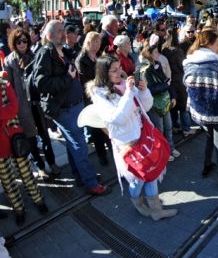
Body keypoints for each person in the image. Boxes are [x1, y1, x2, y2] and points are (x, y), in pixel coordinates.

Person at [88, 55, 177, 220]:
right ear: (103, 73)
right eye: (113, 70)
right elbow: (117, 119)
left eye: (119, 67)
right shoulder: (99, 94)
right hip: (127, 143)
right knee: (139, 179)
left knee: (152, 174)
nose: (119, 72)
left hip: (143, 135)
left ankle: (155, 210)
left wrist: (143, 91)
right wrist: (129, 92)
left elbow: (146, 105)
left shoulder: (123, 85)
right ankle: (139, 204)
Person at [33, 20, 110, 196]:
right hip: (64, 109)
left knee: (72, 144)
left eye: (64, 30)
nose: (64, 33)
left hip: (75, 105)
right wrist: (67, 78)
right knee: (79, 145)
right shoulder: (45, 53)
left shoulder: (63, 51)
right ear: (50, 35)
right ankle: (91, 183)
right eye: (60, 31)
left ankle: (80, 175)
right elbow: (42, 83)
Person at [3, 28, 60, 179]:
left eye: (25, 41)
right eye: (19, 41)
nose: (22, 44)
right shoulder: (10, 61)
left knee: (45, 135)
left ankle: (52, 162)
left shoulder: (34, 56)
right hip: (22, 106)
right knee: (30, 138)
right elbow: (9, 87)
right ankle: (40, 166)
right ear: (14, 43)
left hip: (37, 102)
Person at [183, 29, 218, 189]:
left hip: (199, 110)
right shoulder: (215, 63)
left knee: (208, 137)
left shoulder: (189, 61)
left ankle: (207, 166)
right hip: (216, 110)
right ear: (211, 44)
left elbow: (187, 84)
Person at [0, 72, 48, 225]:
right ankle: (18, 208)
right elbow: (7, 111)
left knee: (26, 173)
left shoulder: (4, 84)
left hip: (14, 140)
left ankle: (38, 200)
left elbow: (13, 108)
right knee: (7, 180)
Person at [75, 31, 112, 166]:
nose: (97, 45)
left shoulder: (97, 57)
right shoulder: (81, 59)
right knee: (97, 128)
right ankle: (102, 155)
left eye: (98, 42)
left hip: (103, 94)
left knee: (106, 124)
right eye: (94, 42)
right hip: (91, 96)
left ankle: (111, 148)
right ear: (88, 42)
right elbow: (85, 80)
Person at [140, 43, 179, 161]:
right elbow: (150, 89)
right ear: (149, 54)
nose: (158, 54)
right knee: (159, 129)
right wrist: (165, 85)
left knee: (168, 126)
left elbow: (166, 80)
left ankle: (171, 148)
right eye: (155, 52)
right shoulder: (145, 70)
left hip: (164, 101)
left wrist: (173, 96)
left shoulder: (157, 64)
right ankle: (163, 153)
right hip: (154, 104)